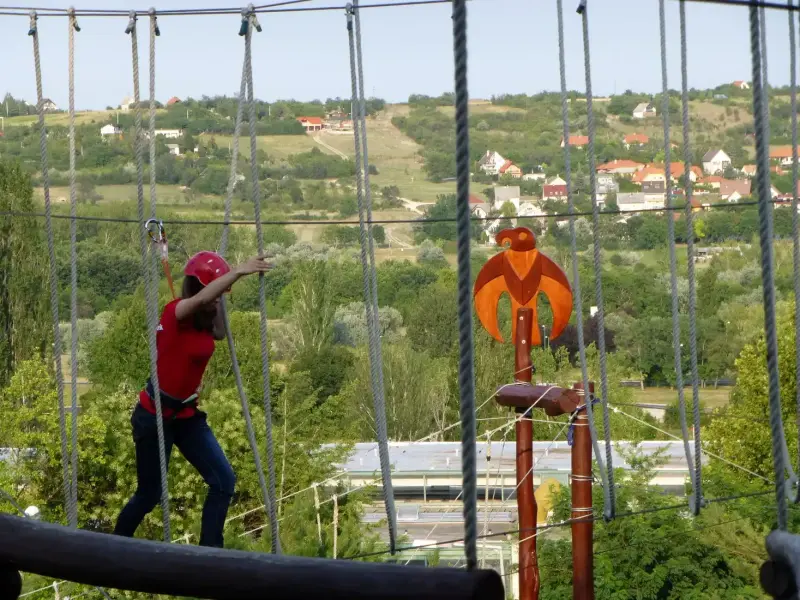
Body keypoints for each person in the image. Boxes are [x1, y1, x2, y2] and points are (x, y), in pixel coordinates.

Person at [113, 251, 272, 547]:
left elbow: (221, 332)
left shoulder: (205, 322)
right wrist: (237, 272)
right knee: (149, 495)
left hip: (186, 417)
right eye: (214, 292)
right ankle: (114, 547)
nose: (216, 299)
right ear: (198, 289)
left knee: (224, 481)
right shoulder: (174, 312)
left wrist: (223, 291)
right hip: (155, 416)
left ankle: (210, 552)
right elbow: (198, 301)